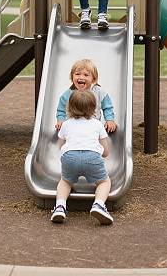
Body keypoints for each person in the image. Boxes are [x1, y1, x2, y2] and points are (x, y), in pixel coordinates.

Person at [51, 90, 113, 225]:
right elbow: (106, 151)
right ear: (93, 108)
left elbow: (60, 145)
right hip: (92, 158)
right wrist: (102, 153)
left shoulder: (66, 124)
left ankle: (60, 207)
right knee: (104, 182)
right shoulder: (97, 124)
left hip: (69, 157)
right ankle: (99, 204)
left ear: (69, 107)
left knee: (65, 182)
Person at [55, 59, 117, 133]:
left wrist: (110, 120)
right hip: (73, 128)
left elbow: (107, 108)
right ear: (72, 77)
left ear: (93, 79)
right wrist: (61, 120)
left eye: (86, 75)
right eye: (77, 74)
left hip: (93, 128)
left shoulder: (99, 92)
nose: (81, 77)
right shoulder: (68, 94)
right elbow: (61, 110)